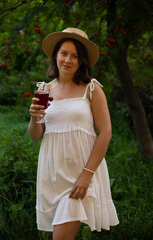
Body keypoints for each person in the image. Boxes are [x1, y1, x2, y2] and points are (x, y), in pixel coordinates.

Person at [28, 28, 119, 240]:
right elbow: (36, 135)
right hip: (52, 176)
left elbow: (105, 133)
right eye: (63, 53)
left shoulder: (92, 89)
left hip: (79, 177)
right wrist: (33, 117)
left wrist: (87, 175)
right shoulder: (43, 90)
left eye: (75, 55)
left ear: (81, 61)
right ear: (55, 56)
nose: (68, 59)